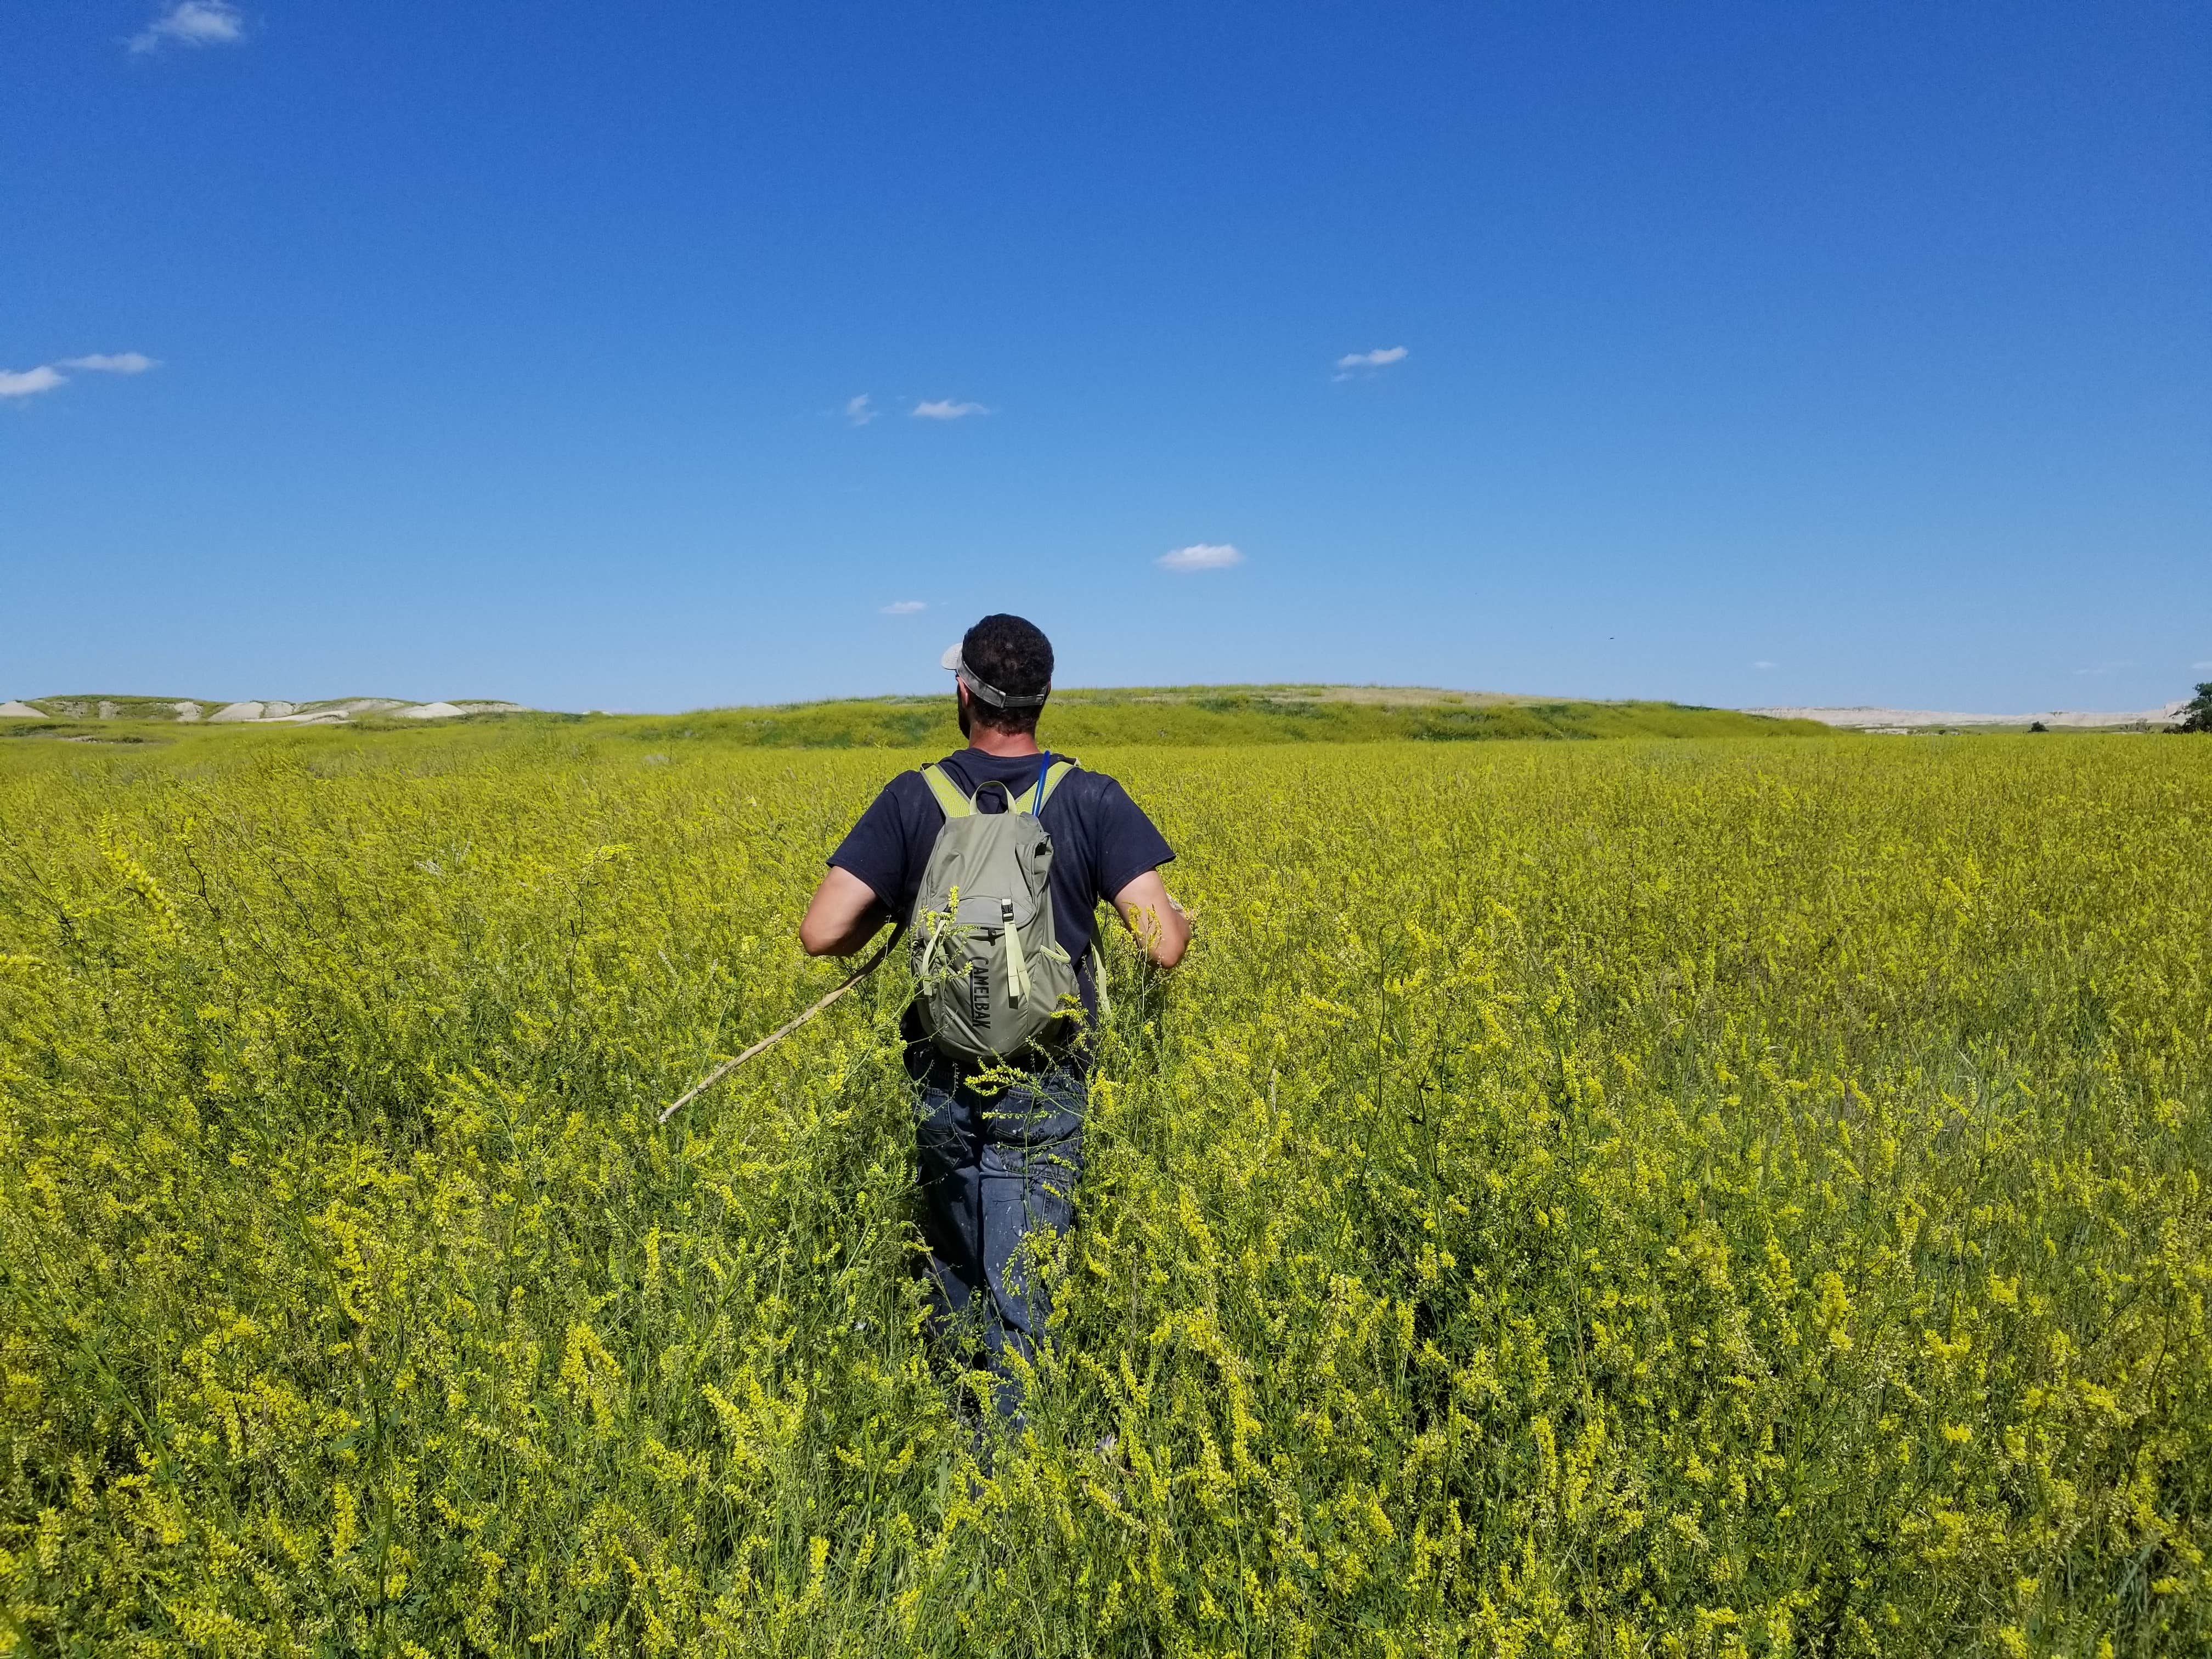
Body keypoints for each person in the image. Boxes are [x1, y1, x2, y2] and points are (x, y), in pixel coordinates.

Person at [799, 613, 1189, 1409]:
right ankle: (1013, 1462)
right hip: (1046, 1073)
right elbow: (1163, 945)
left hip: (944, 1067)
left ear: (963, 692)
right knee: (1026, 1269)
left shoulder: (916, 796)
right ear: (1045, 698)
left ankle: (957, 1433)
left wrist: (904, 907)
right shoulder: (1089, 796)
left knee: (954, 1254)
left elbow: (822, 932)